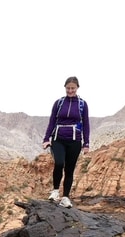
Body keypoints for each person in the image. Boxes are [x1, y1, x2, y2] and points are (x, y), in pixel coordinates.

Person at [42, 76, 90, 208]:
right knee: (59, 163)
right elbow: (52, 120)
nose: (70, 91)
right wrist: (46, 139)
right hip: (58, 138)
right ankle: (55, 191)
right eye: (68, 88)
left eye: (72, 88)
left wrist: (86, 143)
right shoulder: (59, 103)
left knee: (69, 169)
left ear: (77, 88)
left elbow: (86, 124)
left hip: (75, 140)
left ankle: (65, 197)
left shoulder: (82, 104)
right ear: (65, 88)